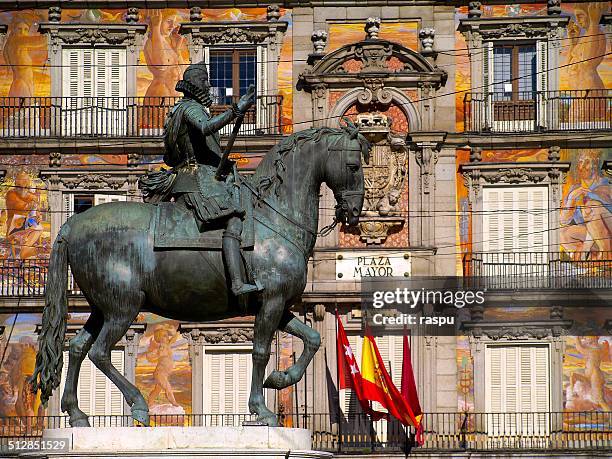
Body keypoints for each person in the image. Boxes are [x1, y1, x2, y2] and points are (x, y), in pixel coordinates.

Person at [141, 60, 260, 297]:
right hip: (197, 180)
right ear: (195, 83)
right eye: (205, 81)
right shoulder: (190, 108)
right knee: (234, 219)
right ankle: (237, 284)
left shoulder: (182, 108)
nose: (209, 86)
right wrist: (237, 110)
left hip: (195, 176)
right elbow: (205, 127)